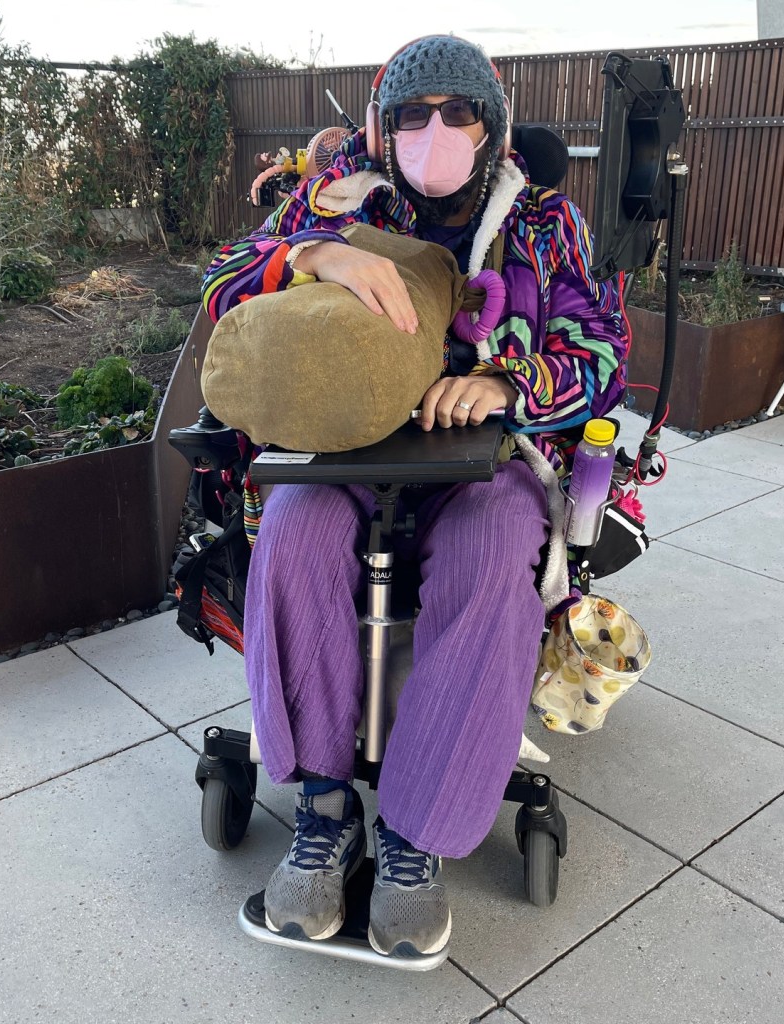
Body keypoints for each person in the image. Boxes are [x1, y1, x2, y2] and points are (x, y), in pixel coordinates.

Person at [201, 34, 629, 958]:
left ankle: (413, 837)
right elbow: (224, 279)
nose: (433, 130)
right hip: (348, 447)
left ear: (492, 125)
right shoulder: (337, 196)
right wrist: (315, 256)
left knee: (491, 549)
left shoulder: (546, 221)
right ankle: (324, 813)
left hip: (488, 457)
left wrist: (509, 381)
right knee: (294, 529)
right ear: (381, 127)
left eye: (457, 112)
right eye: (411, 114)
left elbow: (604, 349)